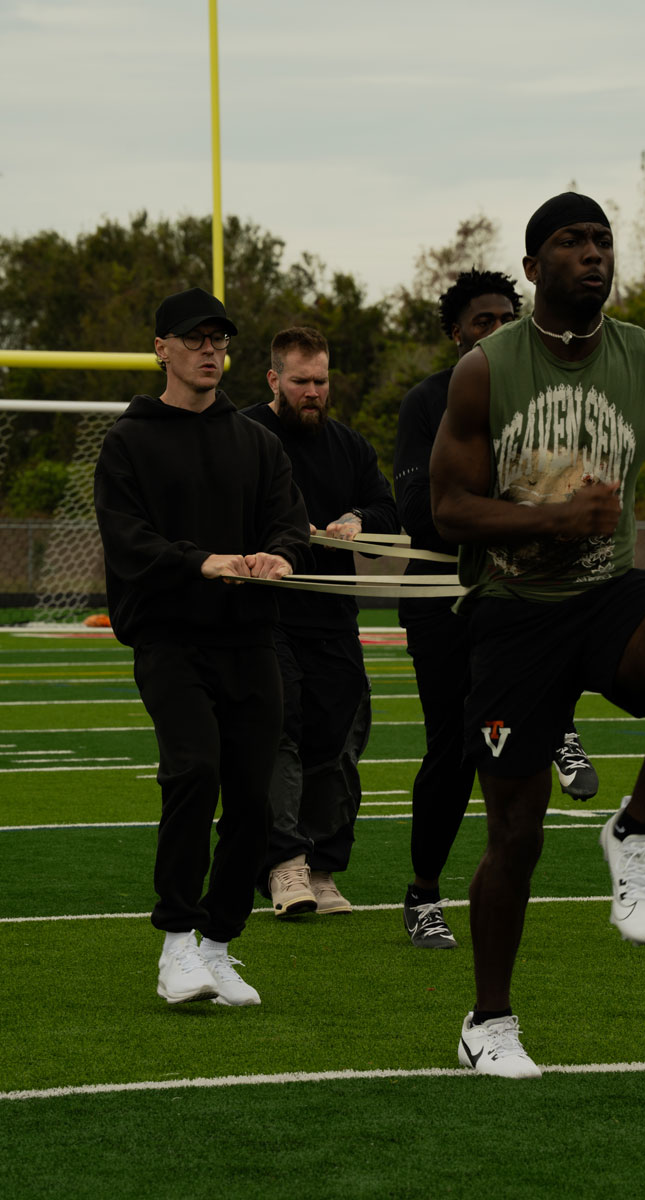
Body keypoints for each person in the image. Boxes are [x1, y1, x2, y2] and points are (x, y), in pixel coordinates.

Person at [429, 193, 645, 1078]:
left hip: (606, 594)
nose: (592, 254)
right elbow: (447, 509)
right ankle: (489, 1022)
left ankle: (632, 829)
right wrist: (549, 518)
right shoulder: (485, 369)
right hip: (513, 615)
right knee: (516, 834)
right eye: (570, 242)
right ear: (531, 267)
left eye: (602, 240)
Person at [94, 287, 311, 1007]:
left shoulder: (257, 441)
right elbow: (128, 541)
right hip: (170, 640)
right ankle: (176, 943)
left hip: (250, 641)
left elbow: (288, 522)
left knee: (256, 802)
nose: (210, 350)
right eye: (195, 339)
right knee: (194, 771)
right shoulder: (129, 440)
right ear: (162, 348)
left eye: (219, 339)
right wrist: (203, 561)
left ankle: (218, 945)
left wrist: (278, 557)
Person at [393, 269, 599, 951]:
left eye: (506, 317)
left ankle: (559, 722)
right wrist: (523, 514)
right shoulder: (430, 402)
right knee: (453, 752)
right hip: (442, 597)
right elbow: (426, 513)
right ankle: (423, 894)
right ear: (456, 333)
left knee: (516, 741)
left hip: (514, 592)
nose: (497, 329)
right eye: (482, 320)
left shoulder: (544, 399)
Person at [244, 327, 400, 919]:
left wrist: (361, 520)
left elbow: (388, 510)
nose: (313, 392)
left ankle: (324, 865)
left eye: (321, 381)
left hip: (334, 616)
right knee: (280, 729)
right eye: (301, 381)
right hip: (267, 614)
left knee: (340, 739)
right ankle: (284, 864)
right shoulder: (245, 435)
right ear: (274, 379)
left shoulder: (350, 447)